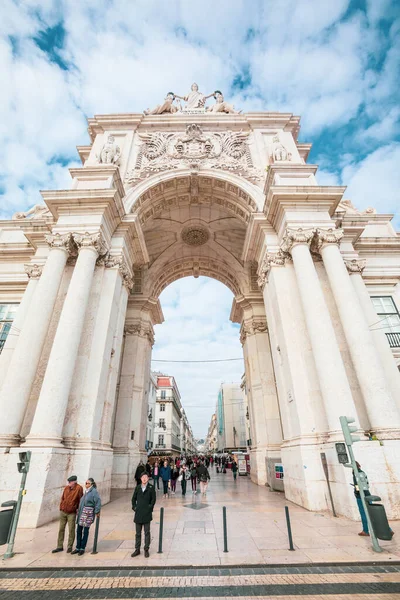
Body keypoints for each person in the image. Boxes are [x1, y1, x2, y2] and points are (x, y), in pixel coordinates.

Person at [52, 475, 83, 554]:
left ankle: (69, 546)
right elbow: (63, 498)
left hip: (71, 512)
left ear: (74, 482)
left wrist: (77, 509)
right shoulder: (66, 488)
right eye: (68, 482)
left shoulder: (79, 488)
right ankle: (59, 546)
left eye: (70, 482)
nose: (69, 483)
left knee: (71, 529)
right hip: (63, 511)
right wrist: (61, 506)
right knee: (61, 529)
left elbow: (80, 499)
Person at [72, 478, 101, 556]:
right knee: (79, 530)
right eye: (85, 483)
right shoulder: (86, 492)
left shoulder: (94, 492)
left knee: (85, 531)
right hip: (82, 513)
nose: (86, 484)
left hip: (88, 514)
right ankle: (77, 547)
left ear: (91, 484)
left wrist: (97, 511)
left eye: (87, 483)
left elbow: (98, 501)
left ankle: (82, 548)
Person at [131, 472, 156, 558]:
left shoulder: (151, 488)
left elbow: (153, 499)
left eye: (146, 477)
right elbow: (133, 499)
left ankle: (146, 549)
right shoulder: (138, 488)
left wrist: (150, 508)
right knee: (138, 533)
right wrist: (134, 507)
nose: (144, 478)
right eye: (143, 477)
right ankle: (137, 549)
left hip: (147, 513)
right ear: (141, 479)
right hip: (138, 513)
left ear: (148, 478)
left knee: (147, 532)